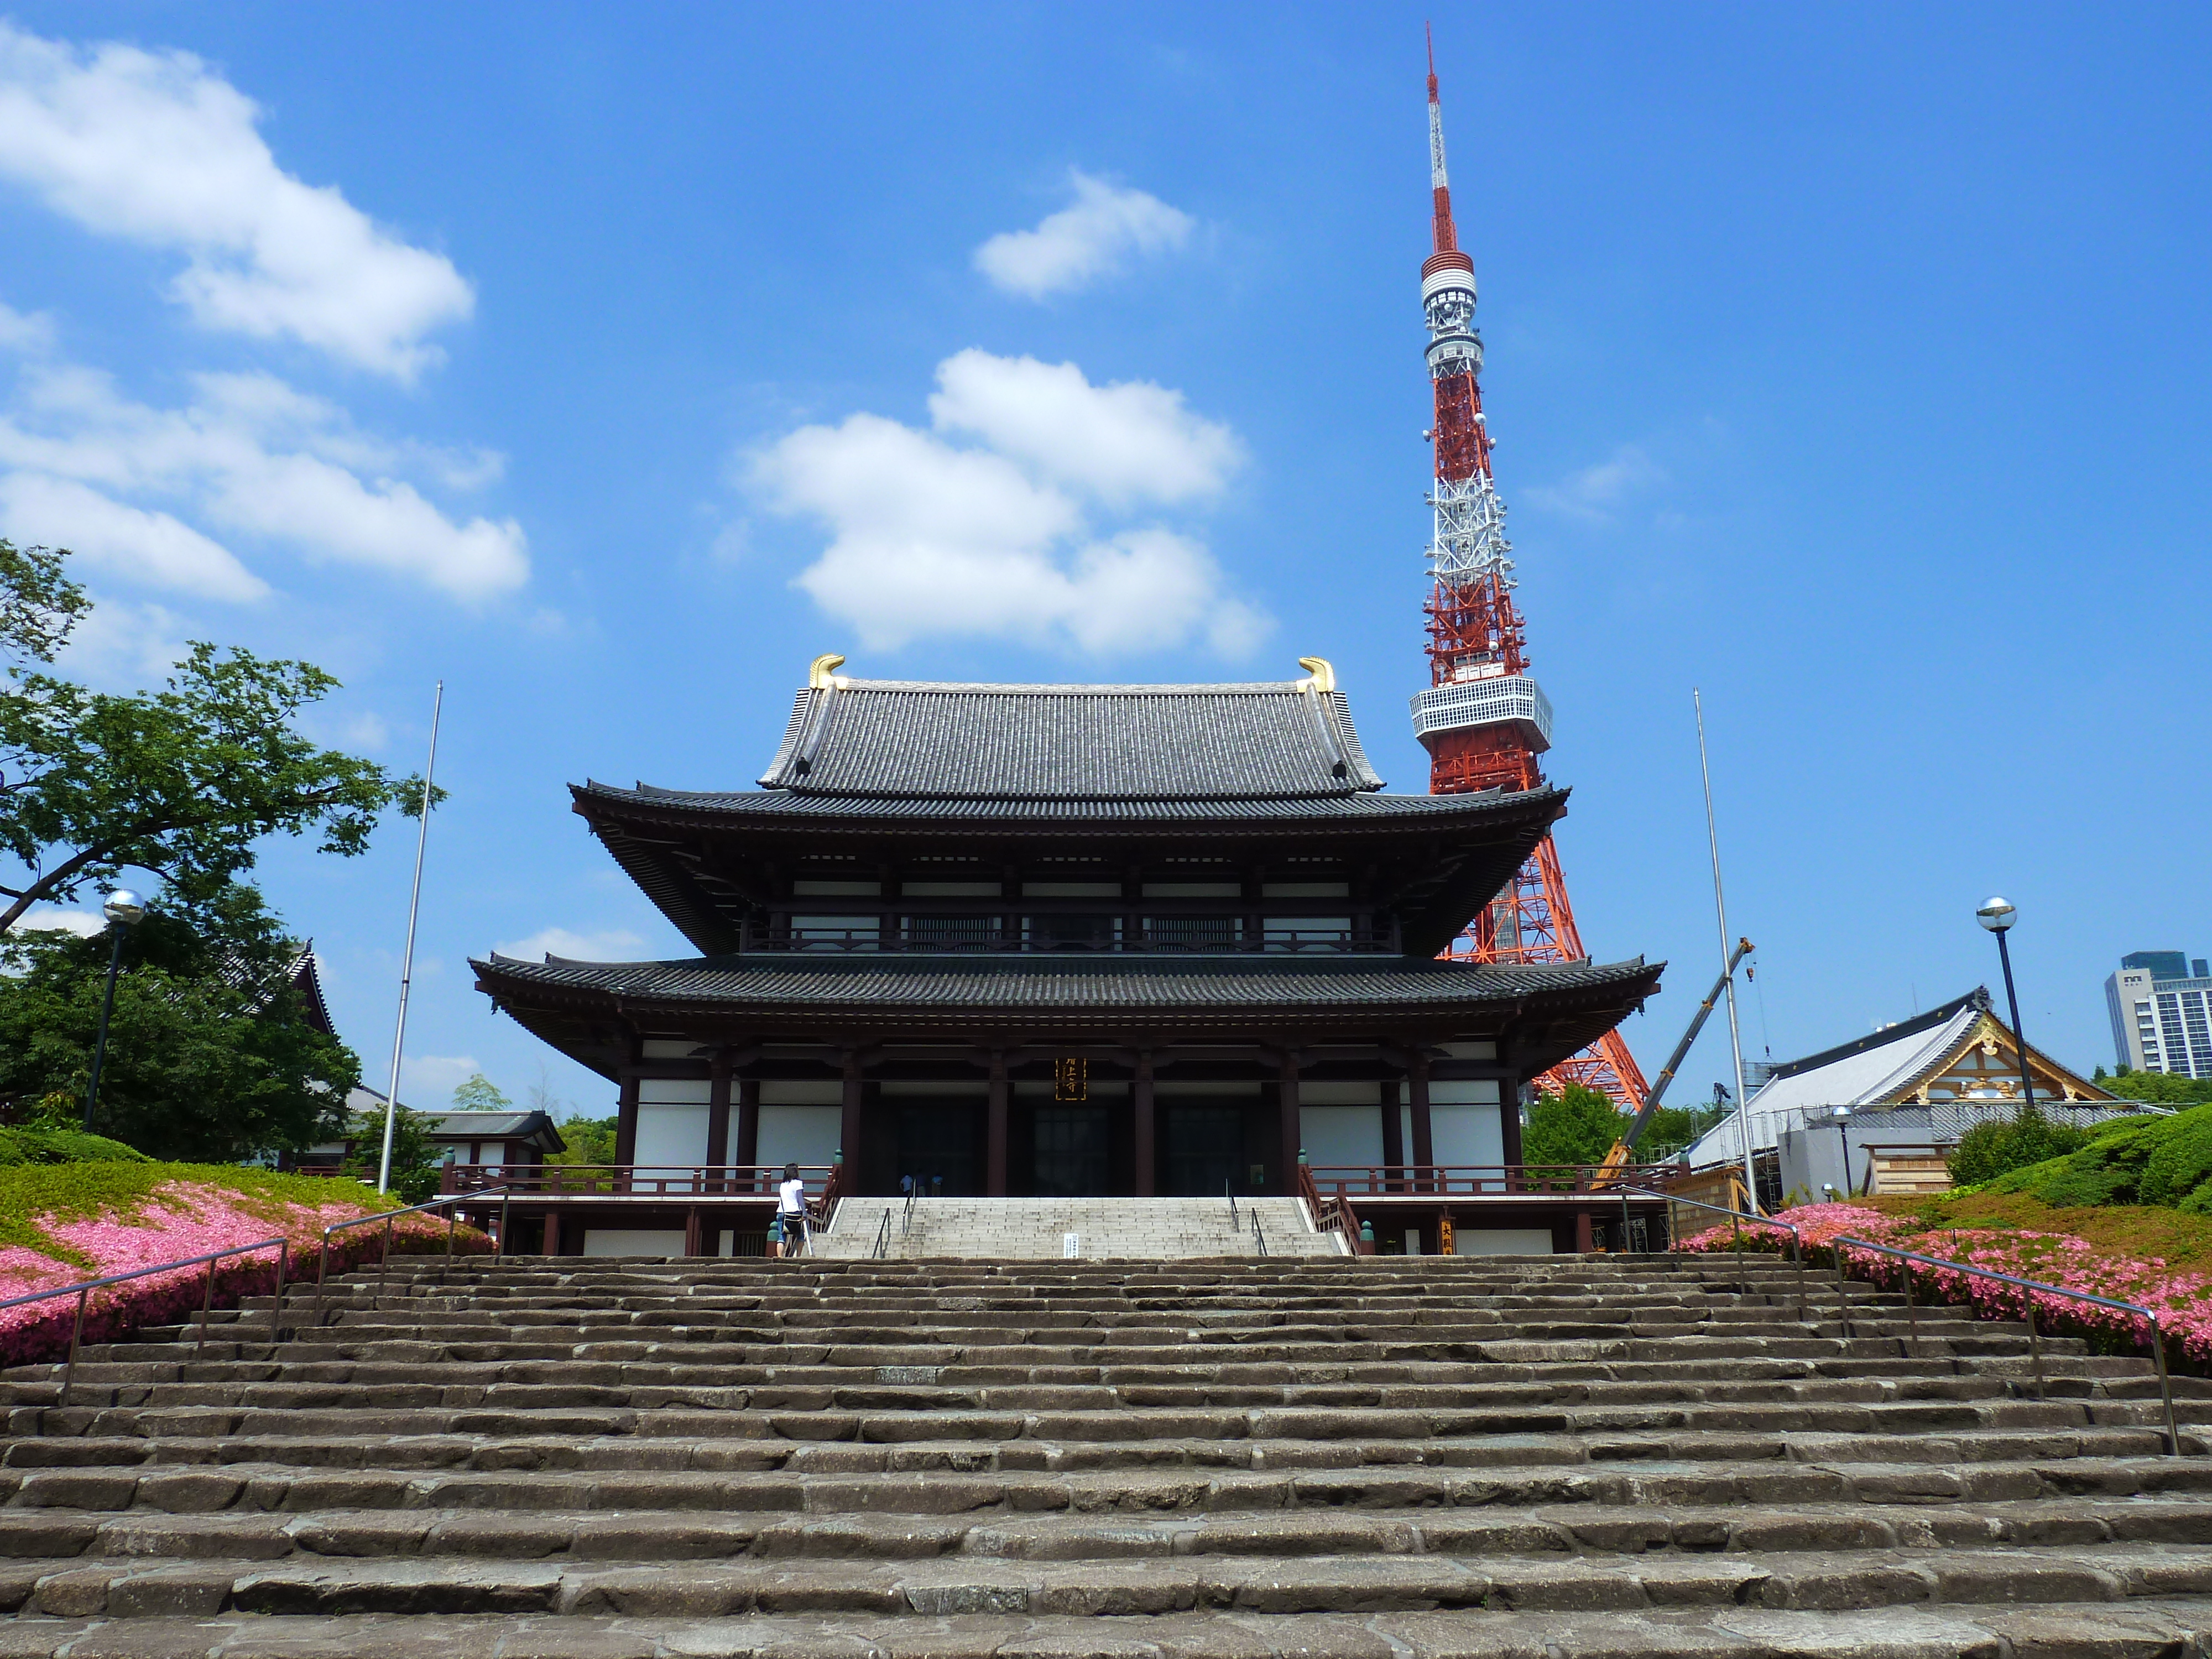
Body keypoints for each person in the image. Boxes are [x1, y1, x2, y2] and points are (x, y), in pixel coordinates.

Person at [776, 1162, 808, 1257]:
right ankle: (798, 1256)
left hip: (782, 1211)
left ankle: (780, 1258)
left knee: (781, 1237)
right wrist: (804, 1212)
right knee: (800, 1236)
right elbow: (800, 1198)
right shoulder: (798, 1183)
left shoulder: (783, 1185)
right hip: (794, 1212)